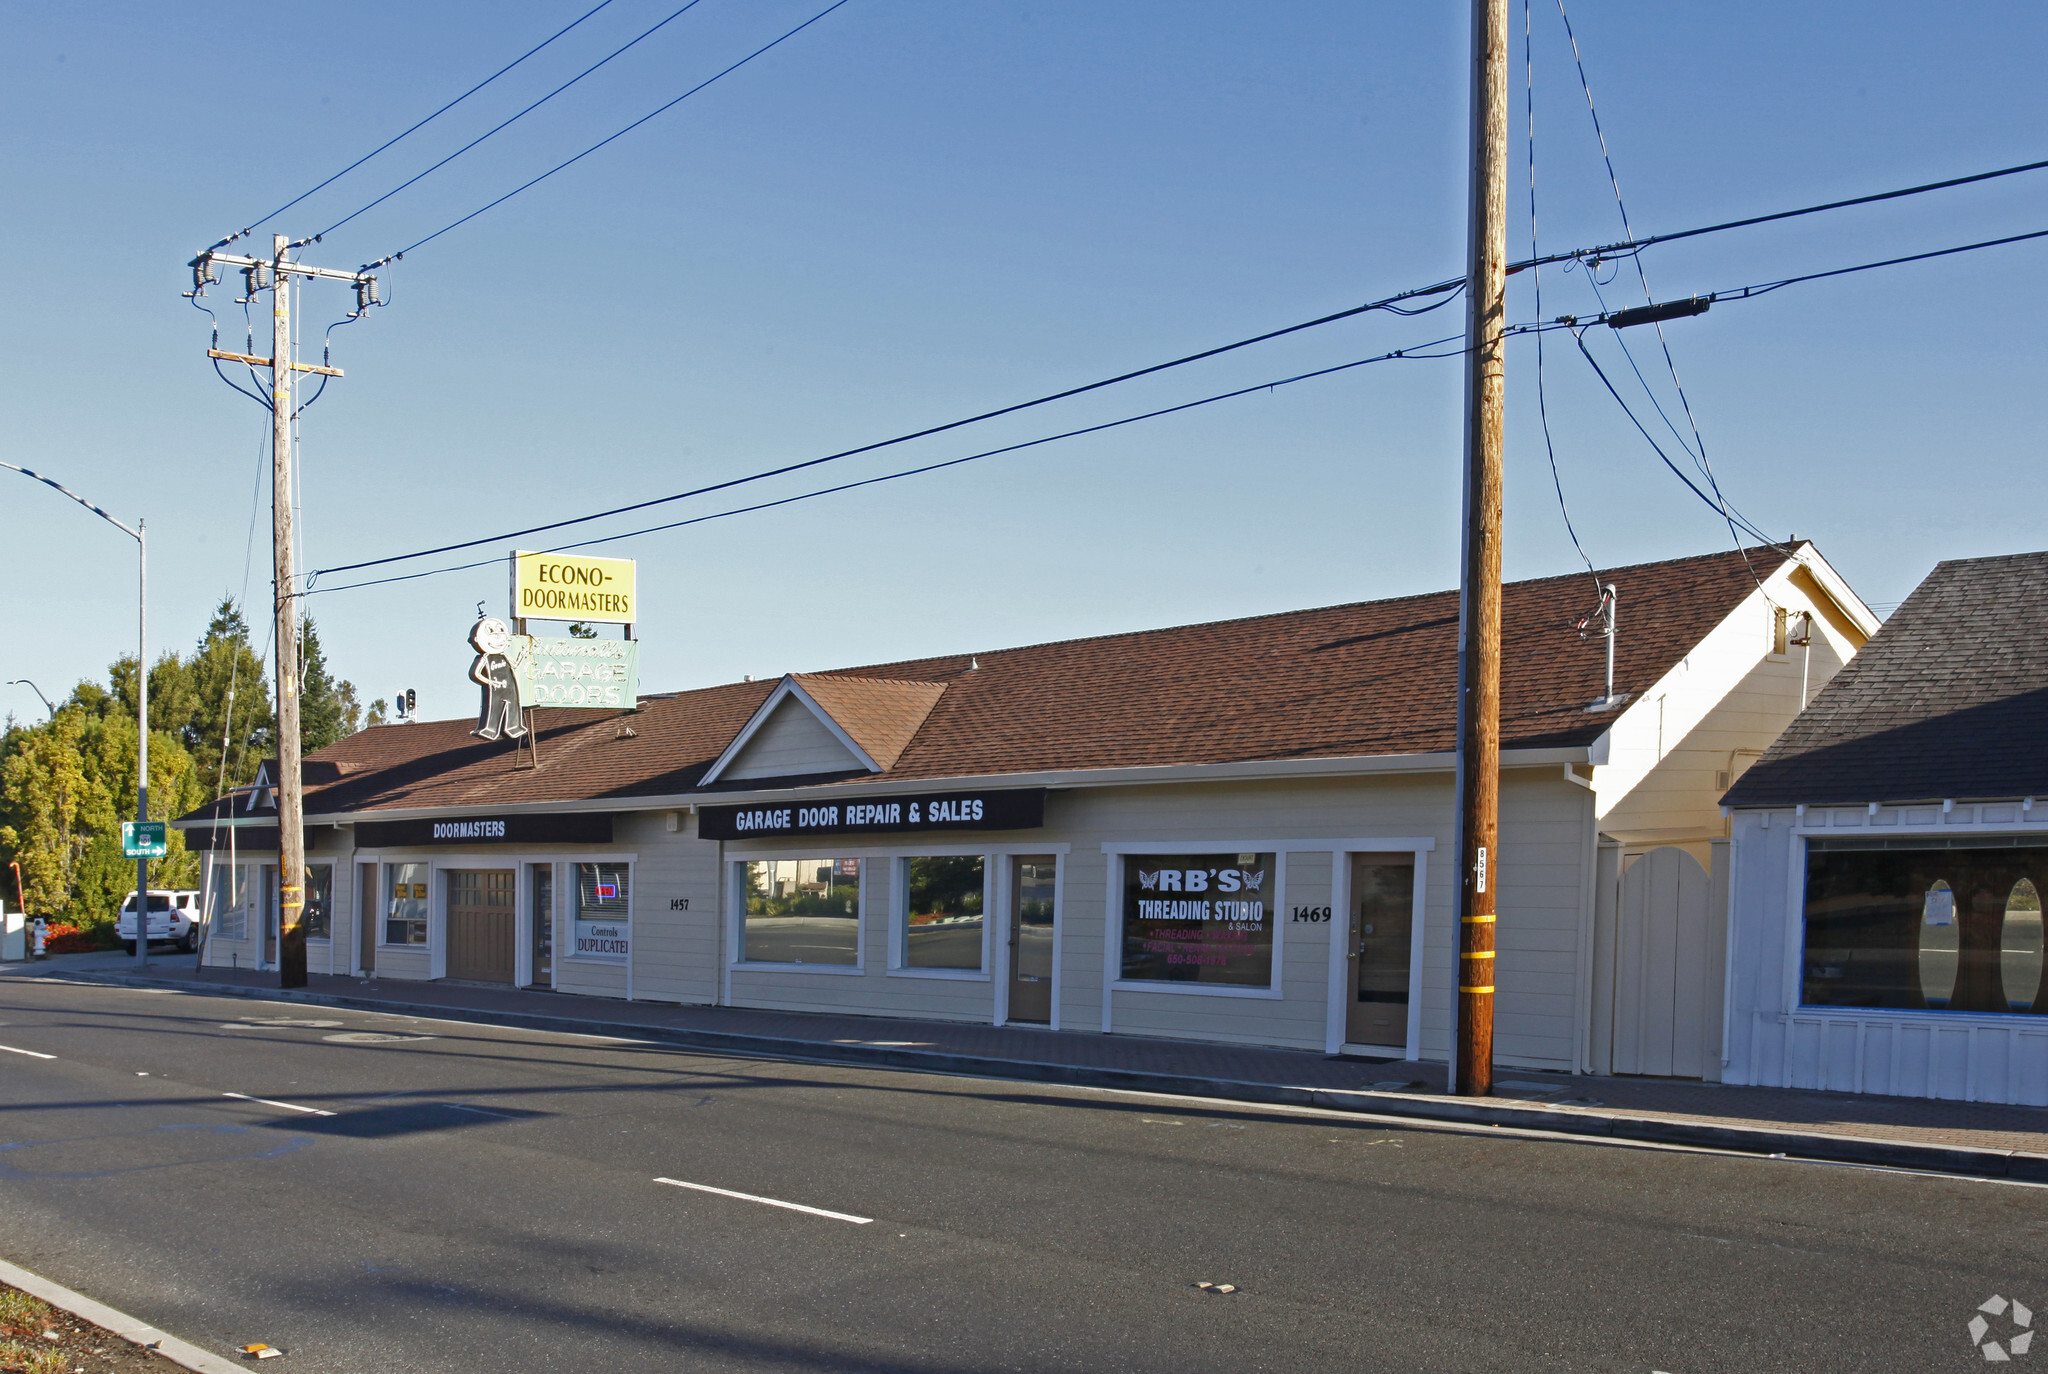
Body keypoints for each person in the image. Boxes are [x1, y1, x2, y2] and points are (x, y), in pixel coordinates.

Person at [468, 616, 531, 741]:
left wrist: (523, 655)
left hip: (510, 687)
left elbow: (515, 665)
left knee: (513, 706)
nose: (497, 636)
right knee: (493, 708)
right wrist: (489, 682)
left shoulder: (504, 655)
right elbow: (474, 674)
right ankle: (489, 729)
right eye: (490, 631)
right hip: (495, 690)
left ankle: (514, 727)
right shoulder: (485, 658)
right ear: (475, 639)